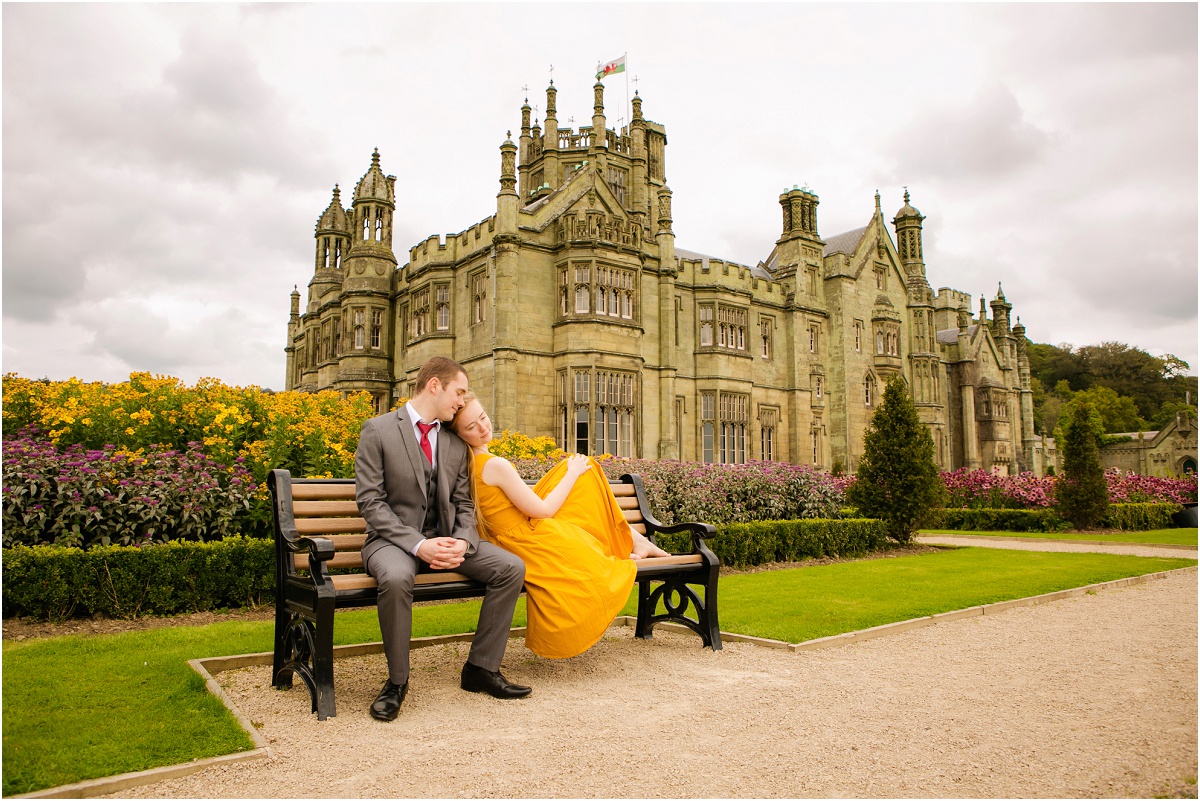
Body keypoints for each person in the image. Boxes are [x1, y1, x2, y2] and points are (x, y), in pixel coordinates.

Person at [355, 357, 530, 722]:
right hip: (391, 543)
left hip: (447, 541)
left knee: (510, 567)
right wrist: (419, 545)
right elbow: (371, 502)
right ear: (434, 385)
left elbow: (465, 504)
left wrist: (463, 543)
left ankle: (481, 668)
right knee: (397, 576)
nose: (462, 402)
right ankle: (397, 682)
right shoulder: (378, 430)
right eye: (459, 392)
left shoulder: (452, 442)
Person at [450, 393, 669, 660]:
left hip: (506, 536)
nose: (483, 428)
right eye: (471, 427)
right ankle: (636, 540)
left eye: (483, 417)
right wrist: (572, 473)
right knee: (583, 469)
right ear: (459, 435)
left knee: (582, 469)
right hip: (526, 537)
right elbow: (543, 510)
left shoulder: (468, 462)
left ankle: (637, 540)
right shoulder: (494, 464)